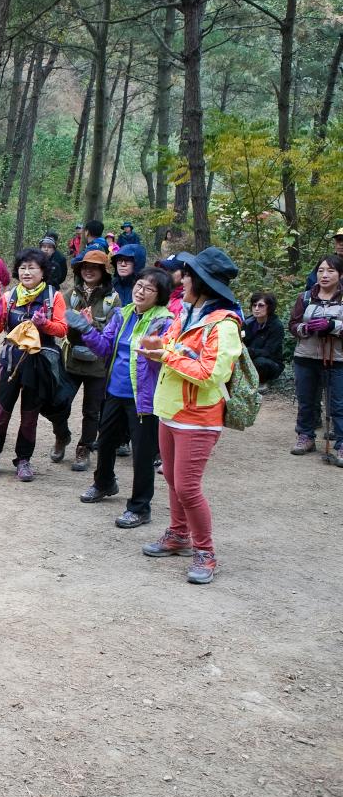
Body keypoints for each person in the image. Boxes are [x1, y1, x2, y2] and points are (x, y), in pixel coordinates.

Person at [137, 247, 243, 584]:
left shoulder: (223, 325)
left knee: (188, 486)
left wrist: (166, 354)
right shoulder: (185, 313)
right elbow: (172, 347)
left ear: (204, 283)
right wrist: (156, 347)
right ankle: (178, 535)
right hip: (170, 410)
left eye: (188, 276)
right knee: (170, 476)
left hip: (199, 416)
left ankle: (205, 552)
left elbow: (211, 373)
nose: (181, 281)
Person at [68, 267, 174, 528]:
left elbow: (166, 358)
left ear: (159, 295)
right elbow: (104, 348)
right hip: (114, 390)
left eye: (149, 289)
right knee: (104, 442)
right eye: (139, 285)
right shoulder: (122, 314)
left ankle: (140, 507)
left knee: (142, 453)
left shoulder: (165, 321)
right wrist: (87, 329)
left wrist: (156, 352)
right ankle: (104, 483)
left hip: (144, 399)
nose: (141, 291)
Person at [0, 249, 69, 482]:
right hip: (11, 361)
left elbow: (62, 329)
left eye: (32, 268)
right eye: (23, 268)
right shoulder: (9, 297)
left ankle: (23, 460)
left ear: (43, 272)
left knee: (30, 416)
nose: (27, 272)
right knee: (2, 412)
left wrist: (45, 324)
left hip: (38, 364)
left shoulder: (53, 296)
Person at [50, 249, 120, 471]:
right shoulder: (70, 294)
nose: (89, 271)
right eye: (85, 267)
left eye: (94, 267)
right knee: (59, 403)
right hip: (71, 360)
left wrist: (90, 325)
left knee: (92, 411)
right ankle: (62, 436)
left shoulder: (112, 299)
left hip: (97, 364)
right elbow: (63, 323)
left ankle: (85, 448)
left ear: (103, 271)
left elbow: (112, 332)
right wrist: (74, 324)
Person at [287, 254, 343, 462]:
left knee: (339, 402)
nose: (325, 275)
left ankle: (342, 443)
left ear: (340, 274)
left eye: (330, 271)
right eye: (320, 271)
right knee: (306, 399)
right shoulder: (305, 297)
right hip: (306, 356)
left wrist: (333, 327)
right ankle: (305, 436)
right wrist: (305, 328)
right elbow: (293, 324)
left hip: (338, 359)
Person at [244, 292, 285, 386]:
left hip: (271, 363)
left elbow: (269, 351)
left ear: (269, 307)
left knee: (260, 362)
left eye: (261, 305)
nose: (256, 308)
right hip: (249, 357)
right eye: (254, 305)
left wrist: (248, 351)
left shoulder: (276, 326)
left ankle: (262, 382)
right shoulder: (247, 323)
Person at [110, 241, 146, 307]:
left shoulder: (146, 289)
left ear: (137, 263)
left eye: (128, 260)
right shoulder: (110, 285)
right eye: (119, 260)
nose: (123, 264)